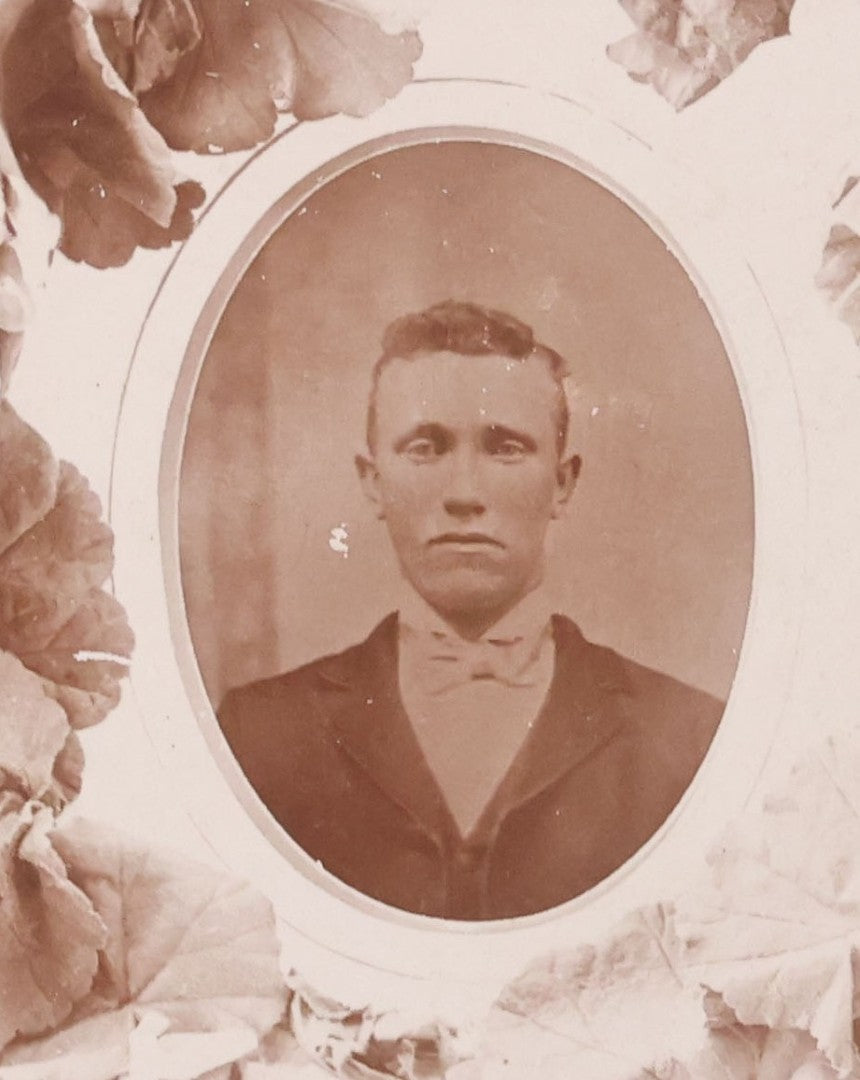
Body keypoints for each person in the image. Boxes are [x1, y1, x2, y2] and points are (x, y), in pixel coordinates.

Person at [217, 300, 723, 921]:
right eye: (424, 448)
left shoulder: (688, 737)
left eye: (505, 449)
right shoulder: (258, 734)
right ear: (373, 481)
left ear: (562, 483)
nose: (463, 494)